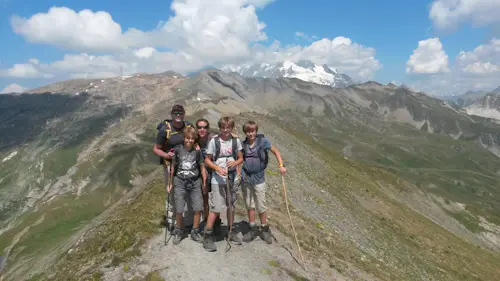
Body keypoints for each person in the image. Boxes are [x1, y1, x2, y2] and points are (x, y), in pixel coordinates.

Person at [240, 120, 286, 244]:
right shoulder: (242, 144)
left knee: (261, 204)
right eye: (248, 131)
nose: (251, 134)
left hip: (259, 177)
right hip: (246, 178)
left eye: (253, 131)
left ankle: (264, 228)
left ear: (256, 131)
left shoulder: (263, 142)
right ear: (245, 132)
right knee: (250, 204)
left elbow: (276, 151)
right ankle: (252, 228)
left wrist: (281, 165)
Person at [202, 116, 243, 252]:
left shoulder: (236, 141)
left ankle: (230, 232)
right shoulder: (214, 141)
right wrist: (217, 168)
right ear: (220, 128)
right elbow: (207, 160)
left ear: (231, 128)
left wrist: (236, 163)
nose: (225, 130)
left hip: (231, 177)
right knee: (216, 207)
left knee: (231, 206)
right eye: (223, 128)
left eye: (228, 128)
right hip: (217, 179)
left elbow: (241, 157)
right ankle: (207, 235)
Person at [153, 104, 194, 229]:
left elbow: (194, 142)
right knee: (172, 192)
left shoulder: (188, 127)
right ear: (171, 115)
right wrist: (166, 155)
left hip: (187, 165)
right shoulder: (164, 130)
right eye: (175, 113)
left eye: (180, 113)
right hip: (170, 165)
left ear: (184, 114)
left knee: (187, 191)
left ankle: (186, 221)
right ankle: (171, 220)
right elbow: (156, 149)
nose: (178, 115)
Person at [168, 126, 207, 244]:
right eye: (187, 138)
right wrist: (170, 182)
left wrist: (204, 183)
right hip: (180, 181)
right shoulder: (178, 150)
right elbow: (173, 167)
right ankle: (179, 230)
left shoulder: (197, 151)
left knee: (198, 207)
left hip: (195, 181)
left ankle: (195, 231)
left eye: (191, 138)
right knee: (179, 207)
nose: (189, 140)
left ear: (194, 139)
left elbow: (202, 167)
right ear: (183, 138)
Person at [194, 118, 221, 227]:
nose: (202, 129)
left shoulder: (213, 139)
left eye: (204, 127)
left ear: (208, 128)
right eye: (199, 127)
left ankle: (217, 222)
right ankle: (206, 221)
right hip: (201, 173)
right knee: (205, 198)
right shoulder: (194, 140)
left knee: (216, 198)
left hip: (214, 171)